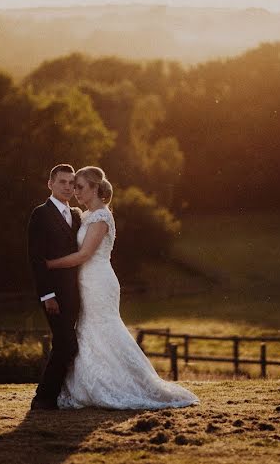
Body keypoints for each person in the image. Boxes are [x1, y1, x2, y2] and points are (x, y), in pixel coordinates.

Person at [47, 166, 199, 410]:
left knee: (104, 327)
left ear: (95, 188)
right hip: (86, 281)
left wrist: (50, 264)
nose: (75, 191)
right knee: (88, 329)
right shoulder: (86, 216)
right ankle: (91, 384)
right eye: (73, 186)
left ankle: (123, 385)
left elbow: (84, 254)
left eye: (80, 187)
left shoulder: (101, 217)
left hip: (98, 280)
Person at [27, 164, 83, 410]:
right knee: (67, 343)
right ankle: (43, 397)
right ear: (50, 184)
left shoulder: (78, 216)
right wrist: (47, 295)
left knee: (65, 343)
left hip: (77, 293)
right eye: (63, 182)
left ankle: (54, 396)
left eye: (72, 183)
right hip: (54, 295)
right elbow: (36, 258)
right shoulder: (40, 214)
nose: (68, 187)